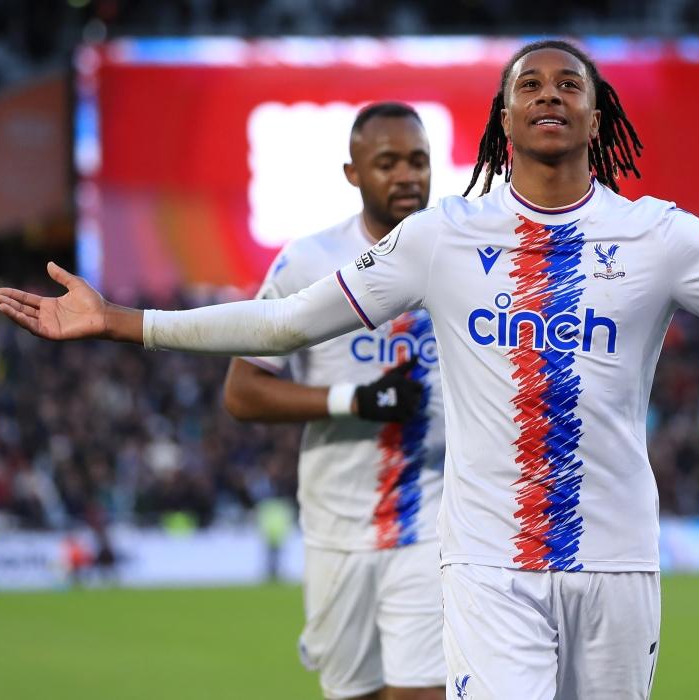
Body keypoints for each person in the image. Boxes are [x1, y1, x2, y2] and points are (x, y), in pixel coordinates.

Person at [0, 39, 699, 699]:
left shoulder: (662, 235)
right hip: (485, 568)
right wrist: (120, 321)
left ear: (599, 115)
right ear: (504, 118)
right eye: (530, 85)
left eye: (571, 83)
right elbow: (286, 322)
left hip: (618, 561)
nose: (551, 93)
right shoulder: (439, 237)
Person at [222, 102, 445, 700]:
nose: (407, 176)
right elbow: (243, 391)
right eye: (388, 163)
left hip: (435, 519)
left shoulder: (465, 258)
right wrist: (356, 400)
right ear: (353, 173)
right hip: (337, 526)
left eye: (418, 161)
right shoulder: (309, 263)